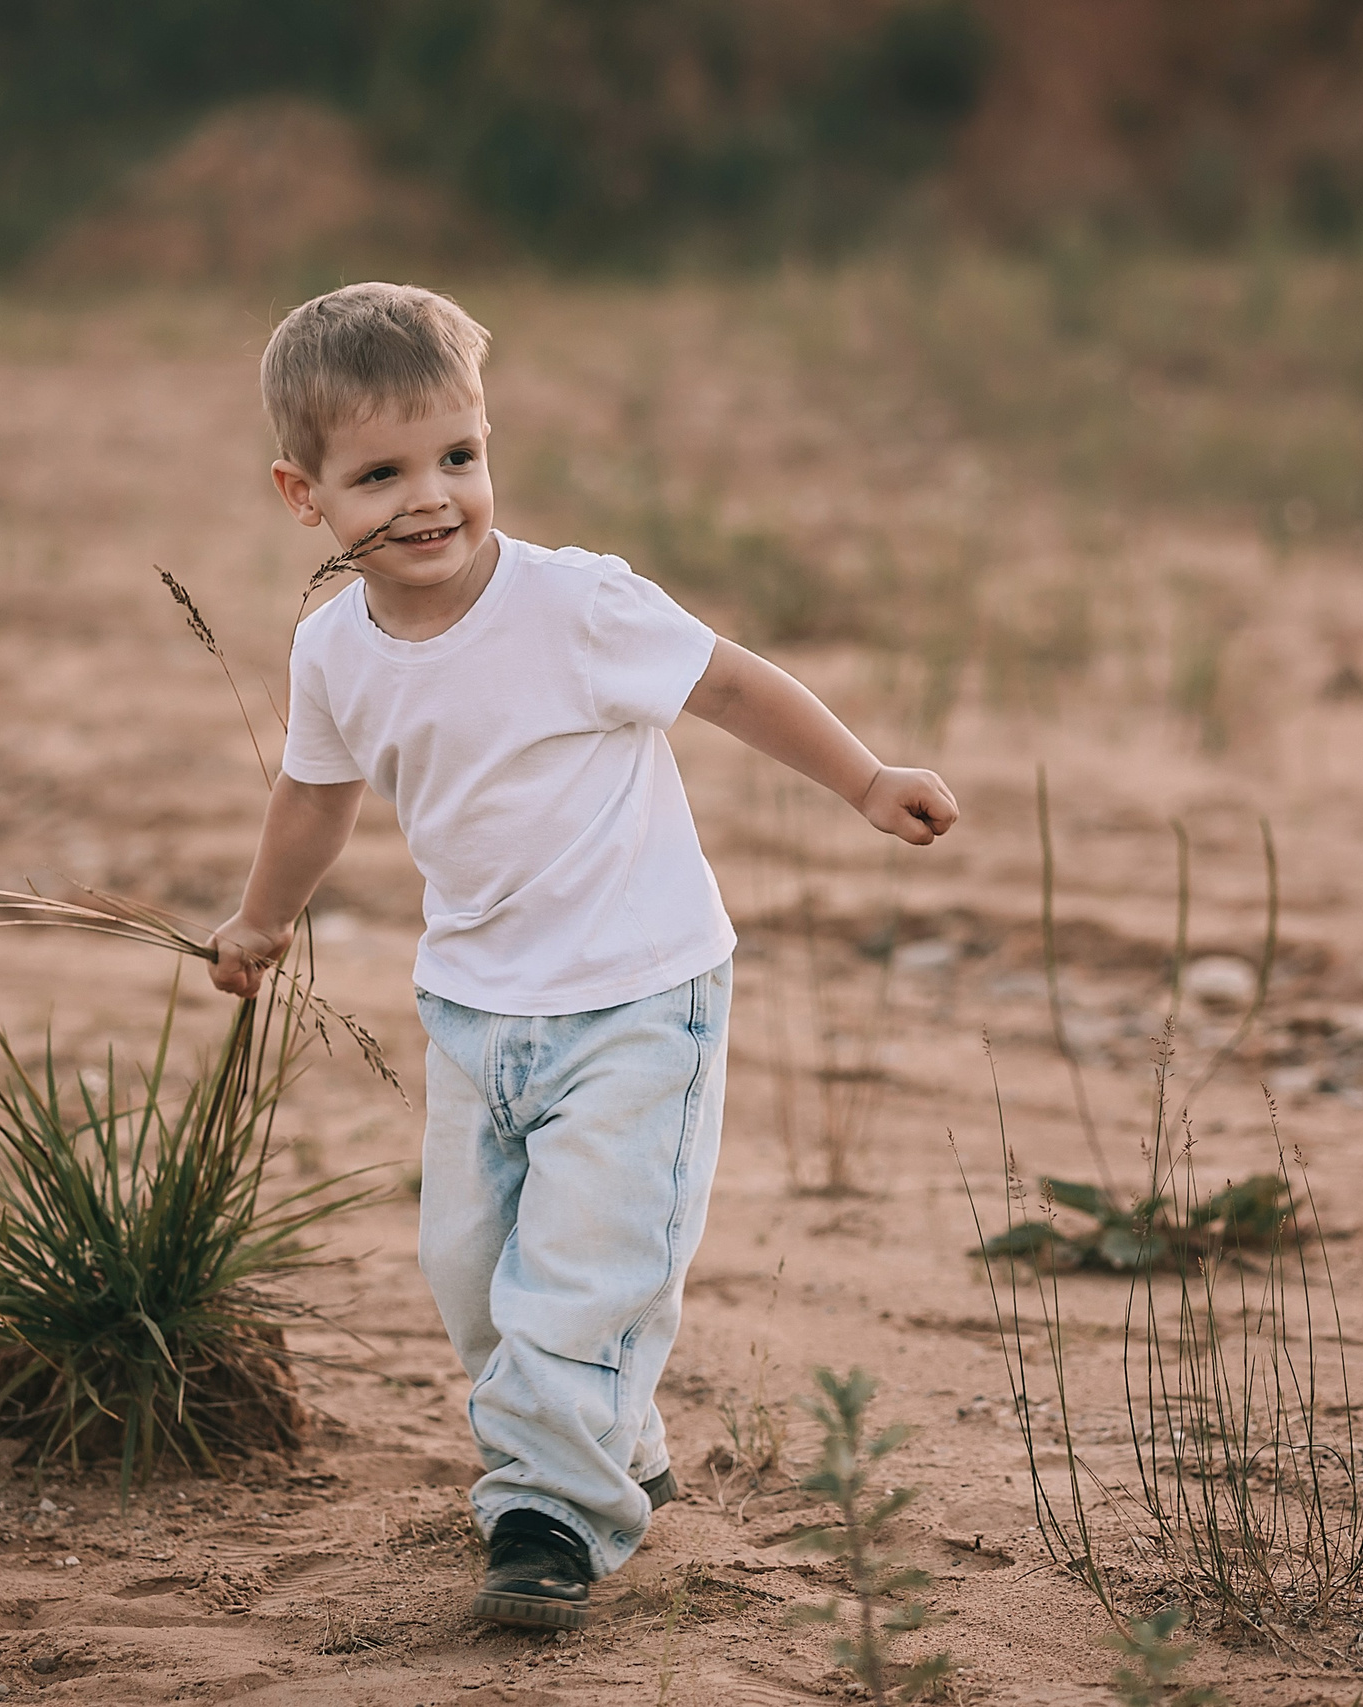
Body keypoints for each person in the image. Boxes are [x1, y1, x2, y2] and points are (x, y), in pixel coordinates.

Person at [207, 282, 957, 1630]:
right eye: (381, 473)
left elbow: (727, 681)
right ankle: (616, 1449)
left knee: (589, 1263)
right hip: (474, 1008)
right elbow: (315, 798)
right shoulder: (334, 651)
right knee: (473, 1269)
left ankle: (548, 1517)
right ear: (302, 494)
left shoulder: (576, 606)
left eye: (460, 456)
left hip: (638, 998)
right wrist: (262, 921)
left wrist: (861, 778)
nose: (432, 498)